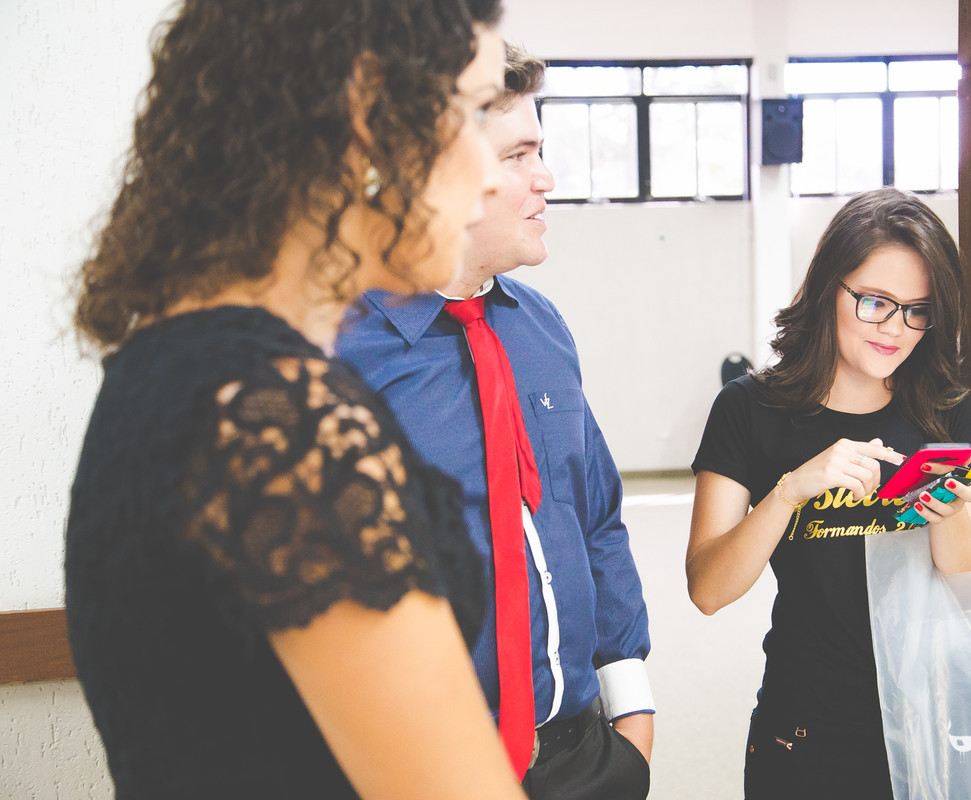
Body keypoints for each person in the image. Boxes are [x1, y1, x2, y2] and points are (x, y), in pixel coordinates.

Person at [64, 2, 528, 798]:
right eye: (473, 112)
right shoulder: (283, 421)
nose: (490, 173)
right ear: (370, 115)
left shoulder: (165, 371)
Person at [336, 43, 654, 800]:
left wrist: (632, 719)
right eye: (520, 154)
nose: (546, 177)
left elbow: (596, 516)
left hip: (582, 755)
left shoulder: (540, 328)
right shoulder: (331, 359)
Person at [685, 187, 971, 797]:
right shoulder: (749, 409)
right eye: (875, 302)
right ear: (829, 287)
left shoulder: (943, 411)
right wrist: (791, 490)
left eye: (917, 310)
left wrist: (949, 513)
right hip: (805, 723)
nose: (896, 329)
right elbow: (708, 590)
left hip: (927, 717)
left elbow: (967, 584)